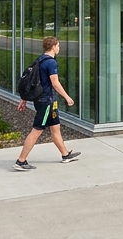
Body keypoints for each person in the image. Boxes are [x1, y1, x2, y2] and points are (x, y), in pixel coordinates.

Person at [15, 36, 80, 170]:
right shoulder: (51, 63)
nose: (59, 48)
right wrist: (67, 97)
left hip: (49, 103)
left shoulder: (39, 60)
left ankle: (65, 155)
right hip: (46, 103)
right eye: (58, 46)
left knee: (55, 127)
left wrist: (24, 99)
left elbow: (33, 82)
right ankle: (21, 161)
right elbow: (55, 83)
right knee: (37, 130)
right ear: (53, 47)